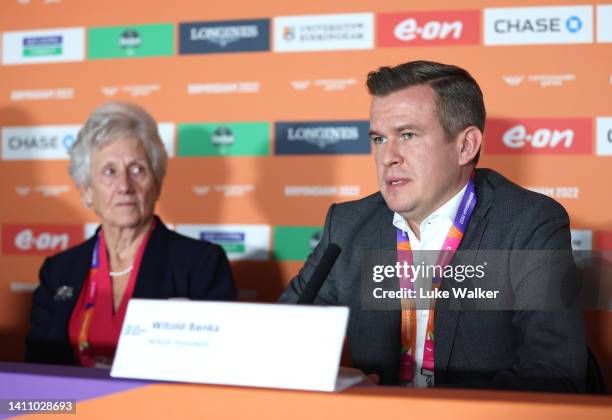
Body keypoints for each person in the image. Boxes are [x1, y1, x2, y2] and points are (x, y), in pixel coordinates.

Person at [279, 61, 586, 392]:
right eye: (379, 139)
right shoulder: (348, 224)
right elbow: (278, 341)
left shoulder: (527, 223)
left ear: (465, 146)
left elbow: (555, 372)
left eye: (408, 135)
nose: (388, 157)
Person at [26, 102, 236, 366]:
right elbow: (36, 372)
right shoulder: (57, 272)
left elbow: (216, 365)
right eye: (109, 172)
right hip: (70, 407)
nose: (124, 186)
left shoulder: (201, 264)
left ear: (157, 183)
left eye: (137, 169)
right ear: (87, 190)